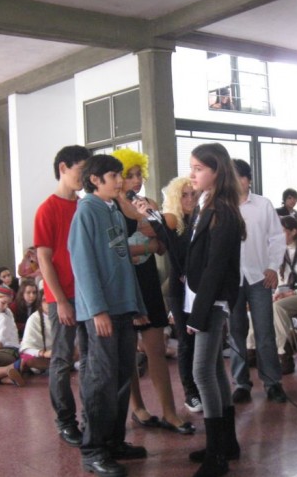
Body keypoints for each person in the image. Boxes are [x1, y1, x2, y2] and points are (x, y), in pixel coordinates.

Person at [68, 154, 149, 477]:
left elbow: (124, 262)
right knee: (100, 380)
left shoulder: (113, 209)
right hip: (101, 312)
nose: (120, 181)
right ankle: (93, 449)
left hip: (123, 307)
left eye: (119, 175)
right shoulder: (86, 212)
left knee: (122, 375)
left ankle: (114, 441)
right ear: (94, 180)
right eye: (114, 176)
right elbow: (83, 265)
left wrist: (137, 304)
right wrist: (97, 310)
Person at [112, 147, 193, 435]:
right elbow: (113, 250)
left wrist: (153, 240)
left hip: (147, 278)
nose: (136, 180)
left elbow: (163, 246)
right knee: (127, 351)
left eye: (139, 174)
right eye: (129, 175)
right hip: (123, 282)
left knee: (155, 348)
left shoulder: (148, 204)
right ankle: (138, 408)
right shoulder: (108, 208)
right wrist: (145, 244)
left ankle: (170, 412)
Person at [185, 143, 244, 477]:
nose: (192, 174)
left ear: (216, 171)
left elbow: (216, 267)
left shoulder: (222, 209)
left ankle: (216, 456)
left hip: (212, 299)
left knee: (202, 373)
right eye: (191, 167)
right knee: (215, 370)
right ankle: (226, 443)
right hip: (206, 297)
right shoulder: (207, 203)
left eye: (198, 169)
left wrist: (198, 313)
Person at [34, 144, 90, 446]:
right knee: (62, 359)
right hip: (63, 297)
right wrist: (60, 300)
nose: (85, 177)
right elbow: (44, 260)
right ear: (63, 168)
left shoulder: (85, 206)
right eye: (81, 170)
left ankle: (91, 418)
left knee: (90, 359)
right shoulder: (48, 209)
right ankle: (65, 421)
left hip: (88, 295)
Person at [229, 159, 287, 404]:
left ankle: (272, 383)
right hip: (231, 280)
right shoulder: (222, 205)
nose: (237, 182)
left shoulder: (263, 205)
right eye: (232, 177)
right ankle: (241, 383)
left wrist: (273, 266)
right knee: (236, 333)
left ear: (249, 179)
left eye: (241, 177)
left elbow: (277, 238)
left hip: (259, 278)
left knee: (265, 333)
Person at [160, 176, 202, 413]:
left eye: (192, 194)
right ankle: (190, 392)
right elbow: (174, 255)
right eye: (184, 195)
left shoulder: (202, 218)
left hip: (201, 288)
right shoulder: (171, 222)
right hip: (178, 289)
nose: (189, 199)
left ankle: (202, 386)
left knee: (203, 340)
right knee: (186, 342)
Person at [271, 216, 297, 374]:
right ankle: (251, 349)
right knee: (264, 306)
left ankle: (284, 353)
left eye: (281, 231)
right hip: (288, 294)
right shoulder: (280, 252)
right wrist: (277, 294)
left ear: (294, 231)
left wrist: (293, 293)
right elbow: (281, 282)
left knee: (277, 307)